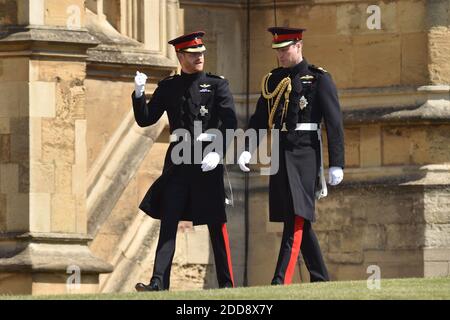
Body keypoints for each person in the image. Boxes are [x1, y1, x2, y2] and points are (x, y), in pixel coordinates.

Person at [238, 27, 345, 284]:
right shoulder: (272, 80)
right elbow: (260, 120)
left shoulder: (318, 78)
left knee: (297, 215)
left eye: (284, 50)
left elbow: (334, 123)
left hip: (306, 152)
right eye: (277, 51)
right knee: (294, 216)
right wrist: (246, 149)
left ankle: (280, 279)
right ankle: (320, 278)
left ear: (298, 45)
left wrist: (337, 163)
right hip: (281, 151)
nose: (280, 56)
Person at [132, 31, 237, 291]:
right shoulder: (169, 86)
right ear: (180, 56)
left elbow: (230, 122)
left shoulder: (217, 84)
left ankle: (226, 283)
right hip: (178, 163)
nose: (199, 57)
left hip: (206, 162)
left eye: (201, 53)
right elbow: (146, 119)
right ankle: (158, 282)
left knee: (215, 222)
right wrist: (138, 93)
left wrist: (218, 151)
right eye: (193, 54)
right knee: (169, 220)